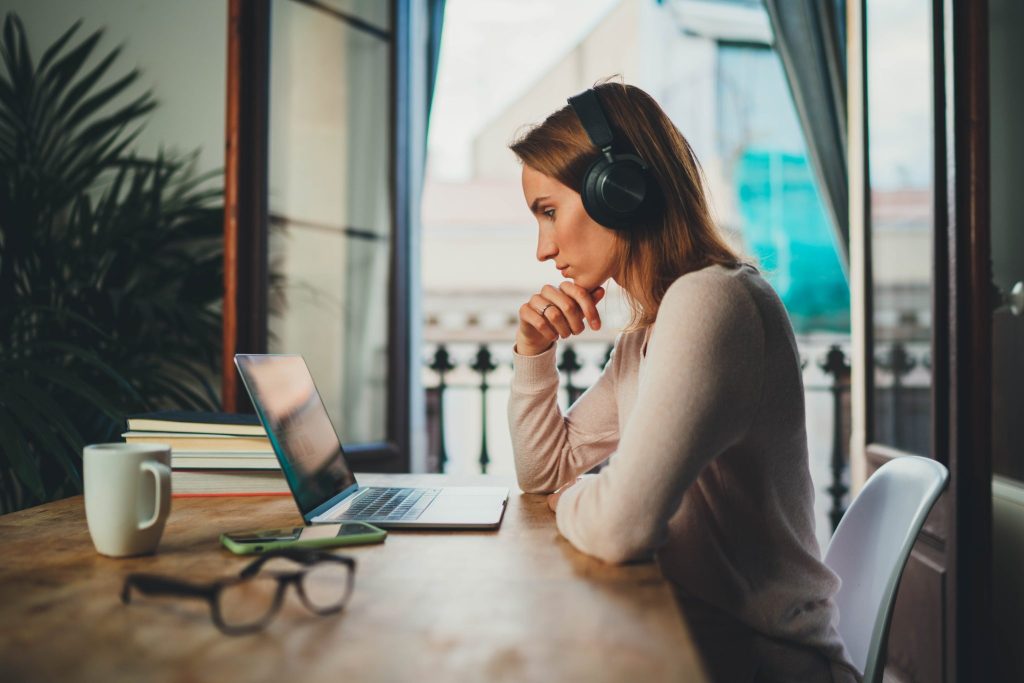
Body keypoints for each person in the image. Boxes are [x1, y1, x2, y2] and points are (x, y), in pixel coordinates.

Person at [506, 81, 860, 683]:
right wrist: (533, 352)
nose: (544, 249)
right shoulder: (654, 330)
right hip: (697, 642)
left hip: (764, 661)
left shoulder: (713, 302)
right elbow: (545, 472)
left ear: (619, 191)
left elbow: (620, 527)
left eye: (548, 211)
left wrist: (574, 501)